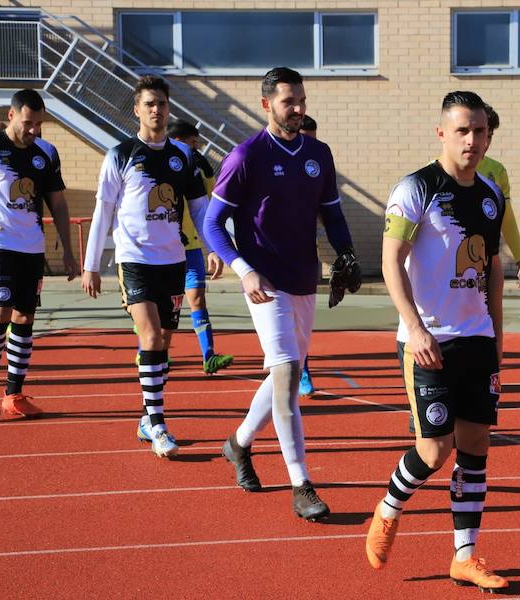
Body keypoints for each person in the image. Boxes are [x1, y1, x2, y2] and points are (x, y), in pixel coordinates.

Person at [365, 90, 508, 592]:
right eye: (463, 130)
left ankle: (465, 555)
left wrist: (498, 337)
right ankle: (388, 508)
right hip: (427, 341)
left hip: (476, 339)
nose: (472, 140)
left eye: (481, 131)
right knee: (434, 449)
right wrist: (415, 326)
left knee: (475, 446)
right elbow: (390, 261)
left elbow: (492, 271)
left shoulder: (491, 196)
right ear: (442, 132)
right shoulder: (415, 189)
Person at [203, 68, 361, 521]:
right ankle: (301, 484)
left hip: (304, 278)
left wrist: (347, 254)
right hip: (265, 283)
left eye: (302, 100)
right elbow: (213, 224)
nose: (297, 109)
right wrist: (243, 270)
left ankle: (237, 444)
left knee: (280, 379)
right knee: (290, 374)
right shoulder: (245, 156)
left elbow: (332, 214)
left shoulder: (318, 154)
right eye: (289, 101)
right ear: (266, 104)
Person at [82, 76, 216, 458]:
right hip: (134, 260)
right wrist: (92, 265)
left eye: (162, 103)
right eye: (149, 104)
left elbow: (200, 207)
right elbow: (103, 211)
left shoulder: (183, 156)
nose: (156, 109)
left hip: (172, 260)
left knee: (164, 345)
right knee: (152, 337)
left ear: (168, 108)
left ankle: (146, 415)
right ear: (137, 110)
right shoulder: (120, 155)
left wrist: (213, 247)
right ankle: (158, 424)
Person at [0, 89, 80, 421]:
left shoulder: (45, 153)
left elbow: (57, 202)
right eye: (28, 123)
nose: (33, 131)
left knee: (24, 318)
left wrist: (69, 251)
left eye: (39, 125)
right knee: (0, 313)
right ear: (12, 115)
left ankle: (13, 394)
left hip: (31, 247)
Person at [166, 119, 234, 374]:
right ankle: (151, 351)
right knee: (164, 306)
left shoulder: (199, 168)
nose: (197, 149)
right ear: (178, 142)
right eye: (193, 144)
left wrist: (212, 247)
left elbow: (207, 206)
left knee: (197, 298)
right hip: (163, 249)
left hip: (192, 246)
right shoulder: (157, 163)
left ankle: (209, 356)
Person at [476, 104, 520, 288]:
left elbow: (506, 217)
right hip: (447, 268)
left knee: (490, 316)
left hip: (486, 263)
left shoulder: (496, 171)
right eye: (478, 133)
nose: (484, 142)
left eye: (489, 135)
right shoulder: (433, 174)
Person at [297, 114, 318, 397]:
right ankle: (298, 368)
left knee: (302, 324)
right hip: (269, 257)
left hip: (304, 251)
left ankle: (301, 366)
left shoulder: (318, 162)